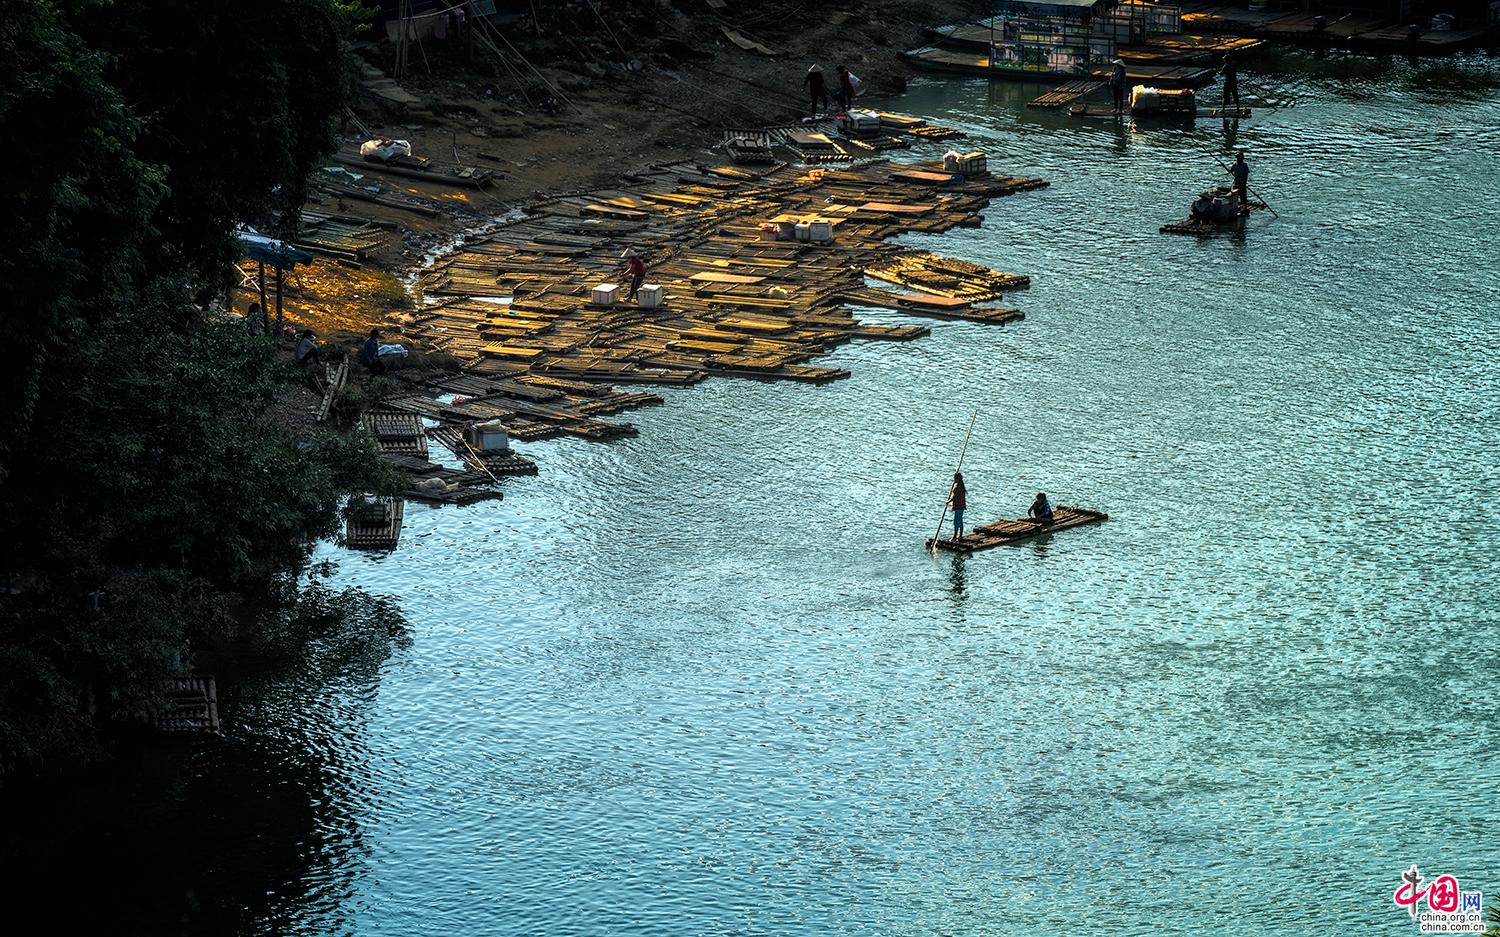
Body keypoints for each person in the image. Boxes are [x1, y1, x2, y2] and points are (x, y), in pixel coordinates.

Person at [949, 471, 968, 539]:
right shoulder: (962, 486)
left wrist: (948, 501)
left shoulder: (957, 487)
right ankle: (960, 535)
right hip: (961, 506)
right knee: (960, 520)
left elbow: (955, 497)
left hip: (958, 507)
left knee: (956, 521)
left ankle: (955, 536)